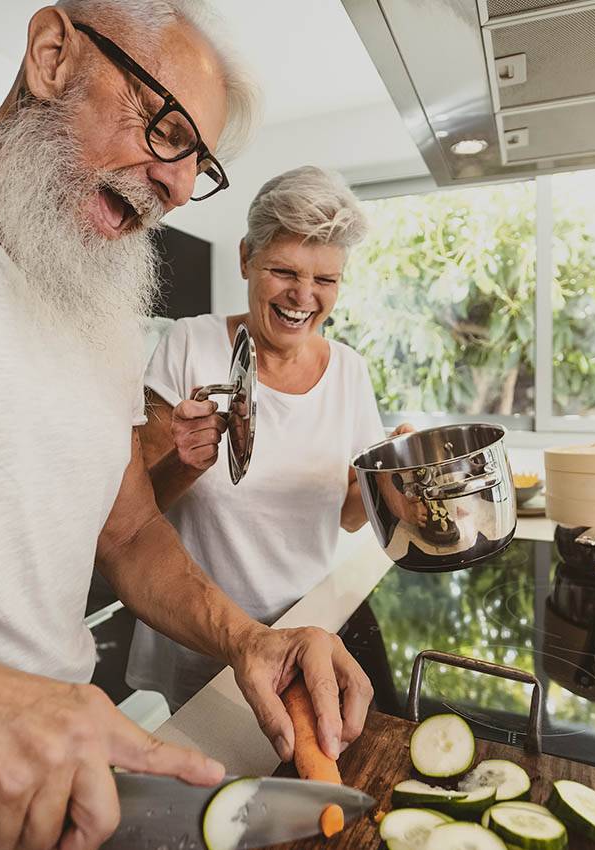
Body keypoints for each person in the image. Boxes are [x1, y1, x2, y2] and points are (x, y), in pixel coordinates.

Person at [0, 5, 374, 850]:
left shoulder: (102, 303)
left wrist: (248, 641)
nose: (181, 186)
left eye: (201, 164)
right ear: (51, 55)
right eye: (167, 129)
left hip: (66, 798)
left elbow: (130, 532)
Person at [128, 165, 417, 710]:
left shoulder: (351, 371)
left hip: (311, 626)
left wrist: (392, 486)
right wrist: (186, 463)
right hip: (207, 634)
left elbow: (349, 514)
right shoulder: (190, 345)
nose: (303, 296)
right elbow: (135, 514)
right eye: (283, 270)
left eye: (325, 280)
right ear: (245, 258)